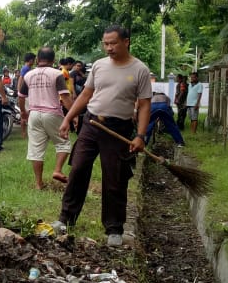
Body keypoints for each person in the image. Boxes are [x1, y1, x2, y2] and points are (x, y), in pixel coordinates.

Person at [51, 26, 152, 247]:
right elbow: (86, 94)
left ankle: (114, 229)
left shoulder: (140, 70)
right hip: (92, 123)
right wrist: (68, 118)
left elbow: (144, 105)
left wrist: (141, 136)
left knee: (114, 178)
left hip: (118, 129)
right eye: (105, 43)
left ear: (126, 42)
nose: (109, 48)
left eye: (113, 43)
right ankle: (65, 219)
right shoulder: (98, 65)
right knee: (77, 169)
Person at [18, 47, 74, 188]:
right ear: (53, 60)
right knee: (63, 143)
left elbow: (21, 96)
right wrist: (74, 115)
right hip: (52, 113)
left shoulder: (28, 75)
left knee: (36, 150)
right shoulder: (57, 74)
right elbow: (65, 96)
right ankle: (57, 170)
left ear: (37, 59)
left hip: (34, 114)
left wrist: (24, 113)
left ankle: (38, 183)